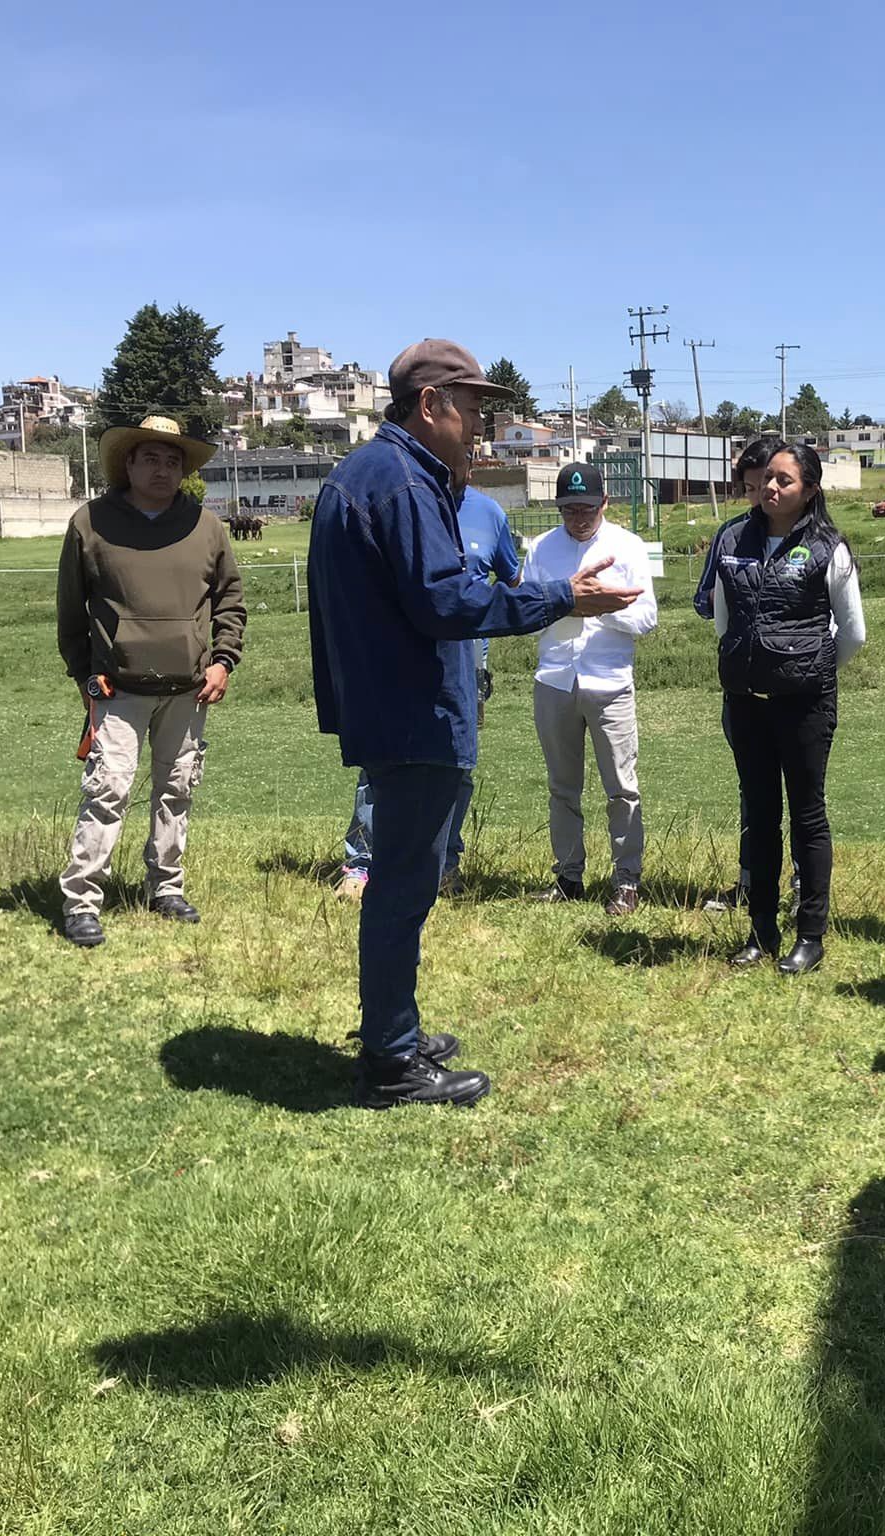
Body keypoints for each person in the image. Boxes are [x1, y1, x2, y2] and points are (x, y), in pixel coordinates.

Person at [308, 339, 639, 1110]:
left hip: (393, 706)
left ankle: (396, 1026)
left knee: (406, 879)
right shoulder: (403, 484)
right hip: (414, 711)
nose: (483, 423)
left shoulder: (372, 475)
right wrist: (563, 598)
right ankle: (391, 1062)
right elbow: (449, 602)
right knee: (403, 885)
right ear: (432, 405)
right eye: (475, 406)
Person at [55, 414, 245, 949]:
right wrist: (83, 675)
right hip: (117, 688)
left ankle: (165, 887)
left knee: (177, 789)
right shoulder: (90, 524)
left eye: (172, 461)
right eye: (150, 458)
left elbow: (230, 600)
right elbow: (71, 612)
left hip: (189, 688)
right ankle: (83, 900)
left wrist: (223, 661)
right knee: (107, 788)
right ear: (128, 464)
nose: (162, 469)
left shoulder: (206, 527)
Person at [709, 441, 866, 974]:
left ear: (811, 490)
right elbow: (723, 621)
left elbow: (853, 633)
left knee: (807, 816)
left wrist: (810, 673)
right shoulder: (731, 538)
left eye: (785, 481)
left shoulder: (828, 547)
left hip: (805, 706)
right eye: (767, 479)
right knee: (759, 817)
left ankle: (811, 936)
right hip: (747, 703)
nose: (771, 488)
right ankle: (760, 932)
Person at [337, 482, 520, 901]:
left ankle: (444, 865)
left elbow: (510, 580)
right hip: (399, 655)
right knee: (380, 762)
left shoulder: (490, 513)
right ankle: (361, 864)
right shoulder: (407, 500)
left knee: (458, 766)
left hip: (467, 664)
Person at [525, 463, 658, 913]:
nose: (578, 518)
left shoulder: (628, 546)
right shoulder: (542, 548)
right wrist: (568, 601)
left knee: (621, 786)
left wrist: (600, 606)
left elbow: (646, 618)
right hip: (555, 679)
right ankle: (568, 875)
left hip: (609, 682)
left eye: (586, 508)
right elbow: (527, 613)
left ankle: (626, 878)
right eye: (568, 509)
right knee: (562, 786)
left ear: (604, 503)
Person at [696, 434, 781, 912]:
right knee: (754, 789)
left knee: (806, 796)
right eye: (749, 488)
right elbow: (703, 600)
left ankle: (801, 885)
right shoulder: (731, 536)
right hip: (743, 687)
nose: (759, 497)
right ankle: (751, 882)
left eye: (767, 483)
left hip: (800, 689)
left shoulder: (817, 538)